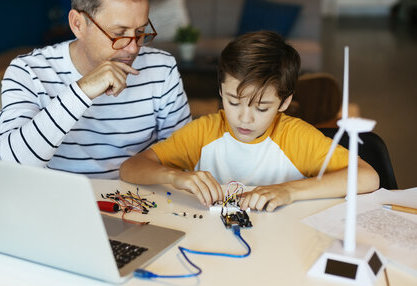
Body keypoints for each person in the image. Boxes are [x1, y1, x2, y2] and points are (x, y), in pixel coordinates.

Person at [120, 31, 379, 211]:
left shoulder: (295, 136)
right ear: (220, 90)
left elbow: (368, 177)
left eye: (262, 107)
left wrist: (289, 191)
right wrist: (177, 177)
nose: (244, 118)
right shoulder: (203, 132)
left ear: (285, 102)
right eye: (233, 102)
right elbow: (131, 168)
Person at [0, 0, 191, 179]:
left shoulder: (162, 67)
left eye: (140, 32)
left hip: (140, 201)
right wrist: (81, 91)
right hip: (58, 202)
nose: (133, 48)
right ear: (78, 24)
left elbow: (183, 156)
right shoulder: (28, 71)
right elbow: (8, 165)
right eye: (118, 33)